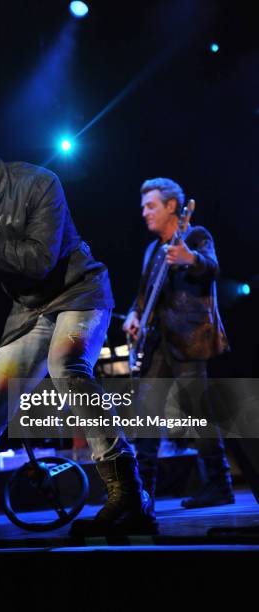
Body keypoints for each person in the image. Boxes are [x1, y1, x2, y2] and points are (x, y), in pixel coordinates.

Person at [0, 100, 156, 540]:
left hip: (80, 292)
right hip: (31, 310)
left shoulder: (39, 183)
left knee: (67, 365)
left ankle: (128, 494)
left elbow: (38, 261)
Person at [123, 178, 234, 510]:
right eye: (144, 206)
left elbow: (211, 269)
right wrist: (133, 315)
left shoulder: (196, 237)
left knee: (198, 412)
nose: (144, 212)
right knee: (146, 415)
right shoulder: (152, 251)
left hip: (188, 340)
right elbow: (143, 295)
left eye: (151, 206)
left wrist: (190, 259)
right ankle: (142, 492)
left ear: (173, 207)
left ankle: (219, 484)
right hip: (157, 341)